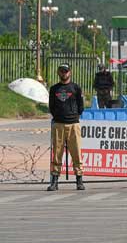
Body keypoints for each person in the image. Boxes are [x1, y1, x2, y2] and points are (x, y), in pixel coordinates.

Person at [47, 63, 85, 191]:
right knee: (57, 153)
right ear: (59, 73)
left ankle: (79, 180)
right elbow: (51, 106)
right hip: (58, 124)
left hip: (73, 124)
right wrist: (58, 116)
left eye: (66, 71)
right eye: (62, 71)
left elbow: (81, 106)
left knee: (77, 153)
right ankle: (55, 181)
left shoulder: (75, 88)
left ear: (70, 72)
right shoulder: (54, 89)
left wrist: (74, 116)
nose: (64, 73)